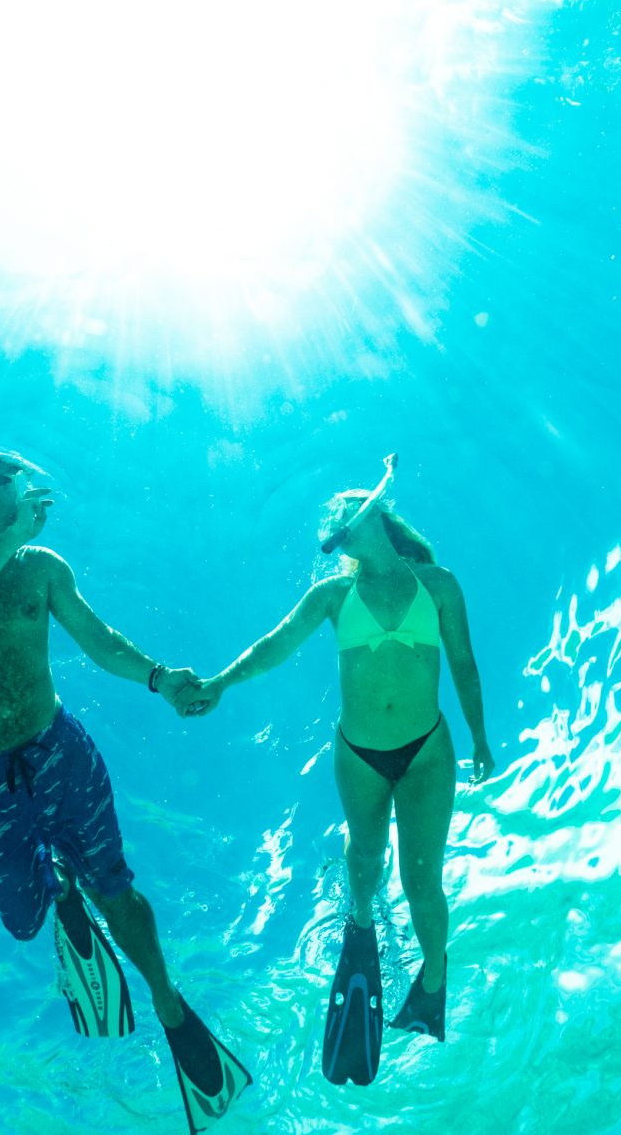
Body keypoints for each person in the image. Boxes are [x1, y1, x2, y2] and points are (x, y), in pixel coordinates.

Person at [0, 450, 250, 1133]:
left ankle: (169, 1004)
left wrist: (160, 677)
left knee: (115, 886)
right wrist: (12, 535)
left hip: (59, 749)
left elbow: (98, 639)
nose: (29, 495)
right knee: (22, 920)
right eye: (14, 485)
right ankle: (57, 887)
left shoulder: (42, 567)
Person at [190, 462, 492, 1085]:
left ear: (377, 515)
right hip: (359, 756)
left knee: (420, 880)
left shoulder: (438, 584)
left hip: (428, 751)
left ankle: (432, 983)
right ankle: (360, 924)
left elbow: (463, 662)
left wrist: (481, 741)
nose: (335, 527)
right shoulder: (332, 595)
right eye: (331, 523)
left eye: (345, 515)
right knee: (366, 862)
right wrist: (220, 681)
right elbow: (274, 644)